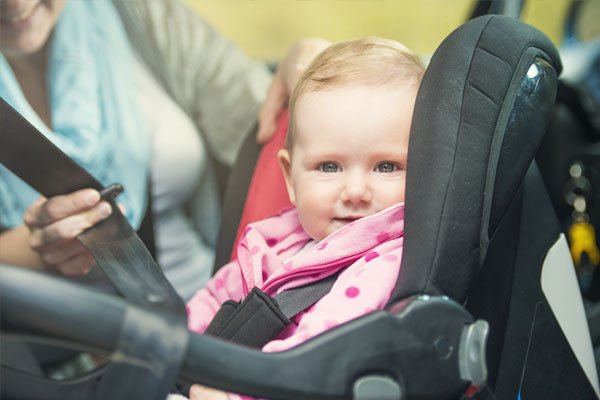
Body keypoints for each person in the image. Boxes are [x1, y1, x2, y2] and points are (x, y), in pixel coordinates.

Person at [0, 0, 329, 300]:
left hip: (221, 313)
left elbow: (263, 123)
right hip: (65, 349)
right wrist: (28, 251)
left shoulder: (141, 15)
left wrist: (314, 70)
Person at [184, 37, 425, 400]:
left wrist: (235, 392)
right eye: (329, 166)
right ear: (290, 178)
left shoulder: (389, 264)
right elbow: (217, 296)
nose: (356, 190)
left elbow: (316, 354)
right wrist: (169, 347)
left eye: (387, 166)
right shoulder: (279, 242)